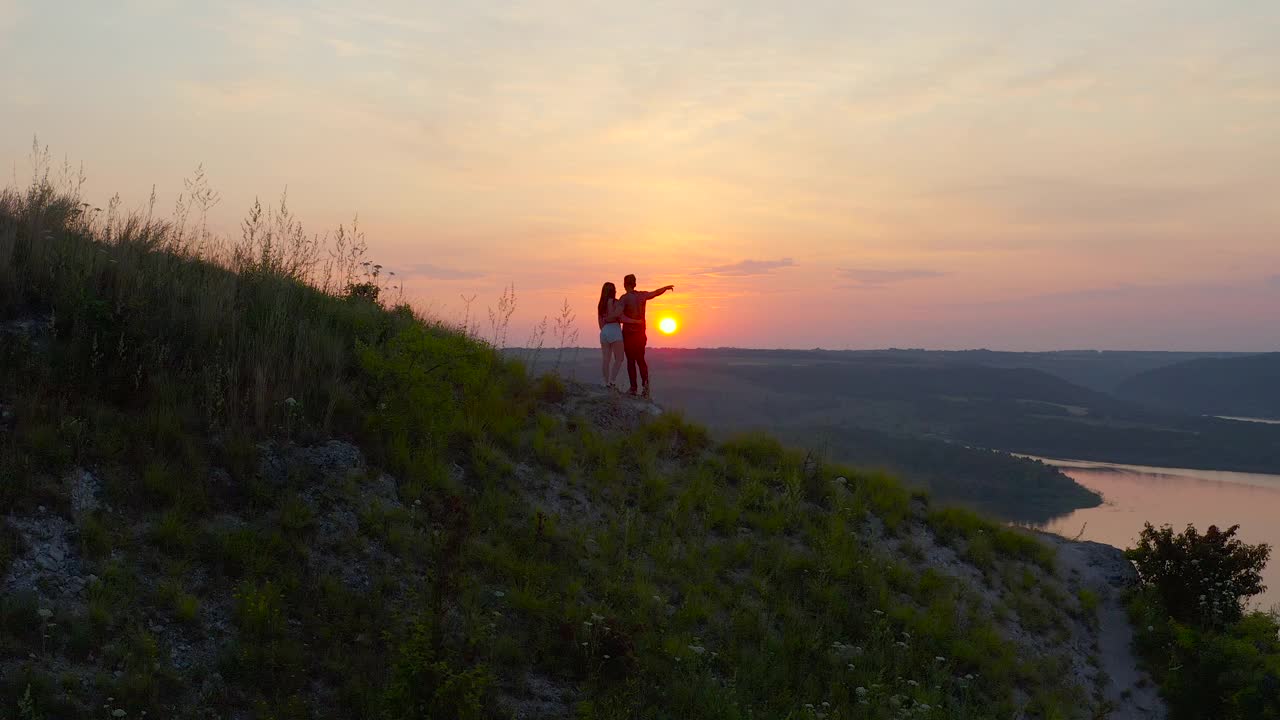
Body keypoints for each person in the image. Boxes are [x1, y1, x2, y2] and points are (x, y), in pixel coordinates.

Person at [619, 274, 674, 399]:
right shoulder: (642, 295)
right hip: (641, 334)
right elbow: (654, 293)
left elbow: (621, 317)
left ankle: (633, 388)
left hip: (629, 334)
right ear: (635, 284)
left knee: (631, 361)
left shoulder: (624, 298)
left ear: (625, 284)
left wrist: (632, 321)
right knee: (641, 360)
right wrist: (665, 288)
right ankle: (645, 388)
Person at [597, 282, 637, 390]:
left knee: (606, 359)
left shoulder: (601, 304)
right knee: (619, 358)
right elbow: (620, 317)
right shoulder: (616, 302)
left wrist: (606, 328)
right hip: (615, 330)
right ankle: (612, 381)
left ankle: (605, 382)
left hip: (604, 331)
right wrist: (636, 321)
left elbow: (600, 324)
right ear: (613, 291)